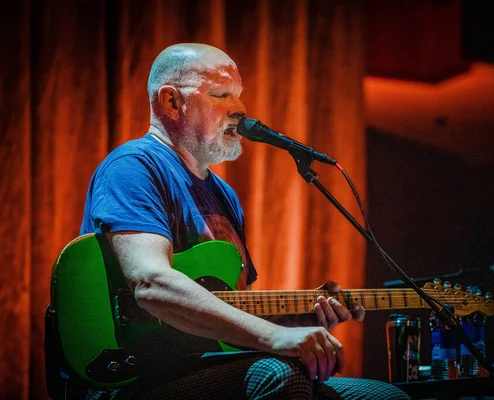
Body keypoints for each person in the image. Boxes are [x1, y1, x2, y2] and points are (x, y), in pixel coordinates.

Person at [64, 43, 410, 399]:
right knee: (279, 376)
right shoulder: (134, 167)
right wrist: (276, 339)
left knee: (386, 396)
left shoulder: (225, 196)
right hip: (137, 376)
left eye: (239, 95)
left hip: (206, 363)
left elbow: (229, 309)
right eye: (220, 94)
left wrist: (302, 320)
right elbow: (151, 282)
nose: (241, 109)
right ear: (171, 102)